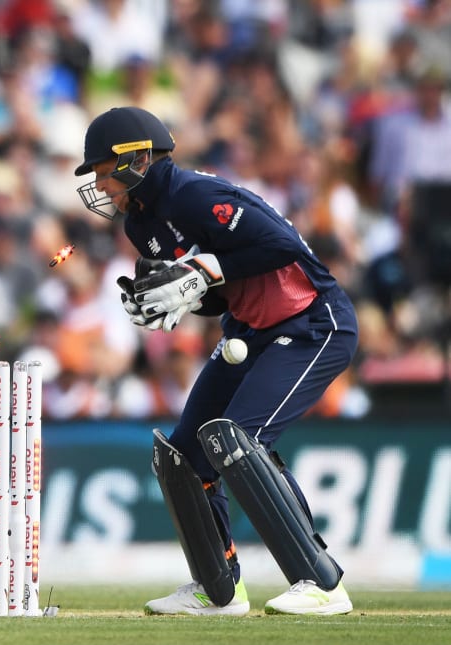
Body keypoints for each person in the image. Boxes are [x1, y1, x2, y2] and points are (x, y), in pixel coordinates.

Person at [73, 106, 356, 616]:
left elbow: (282, 245)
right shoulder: (142, 225)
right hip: (248, 329)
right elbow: (217, 297)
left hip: (312, 322)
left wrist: (203, 269)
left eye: (102, 171)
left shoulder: (194, 195)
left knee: (239, 440)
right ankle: (217, 589)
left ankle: (321, 582)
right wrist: (168, 297)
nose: (100, 184)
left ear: (136, 159)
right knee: (181, 457)